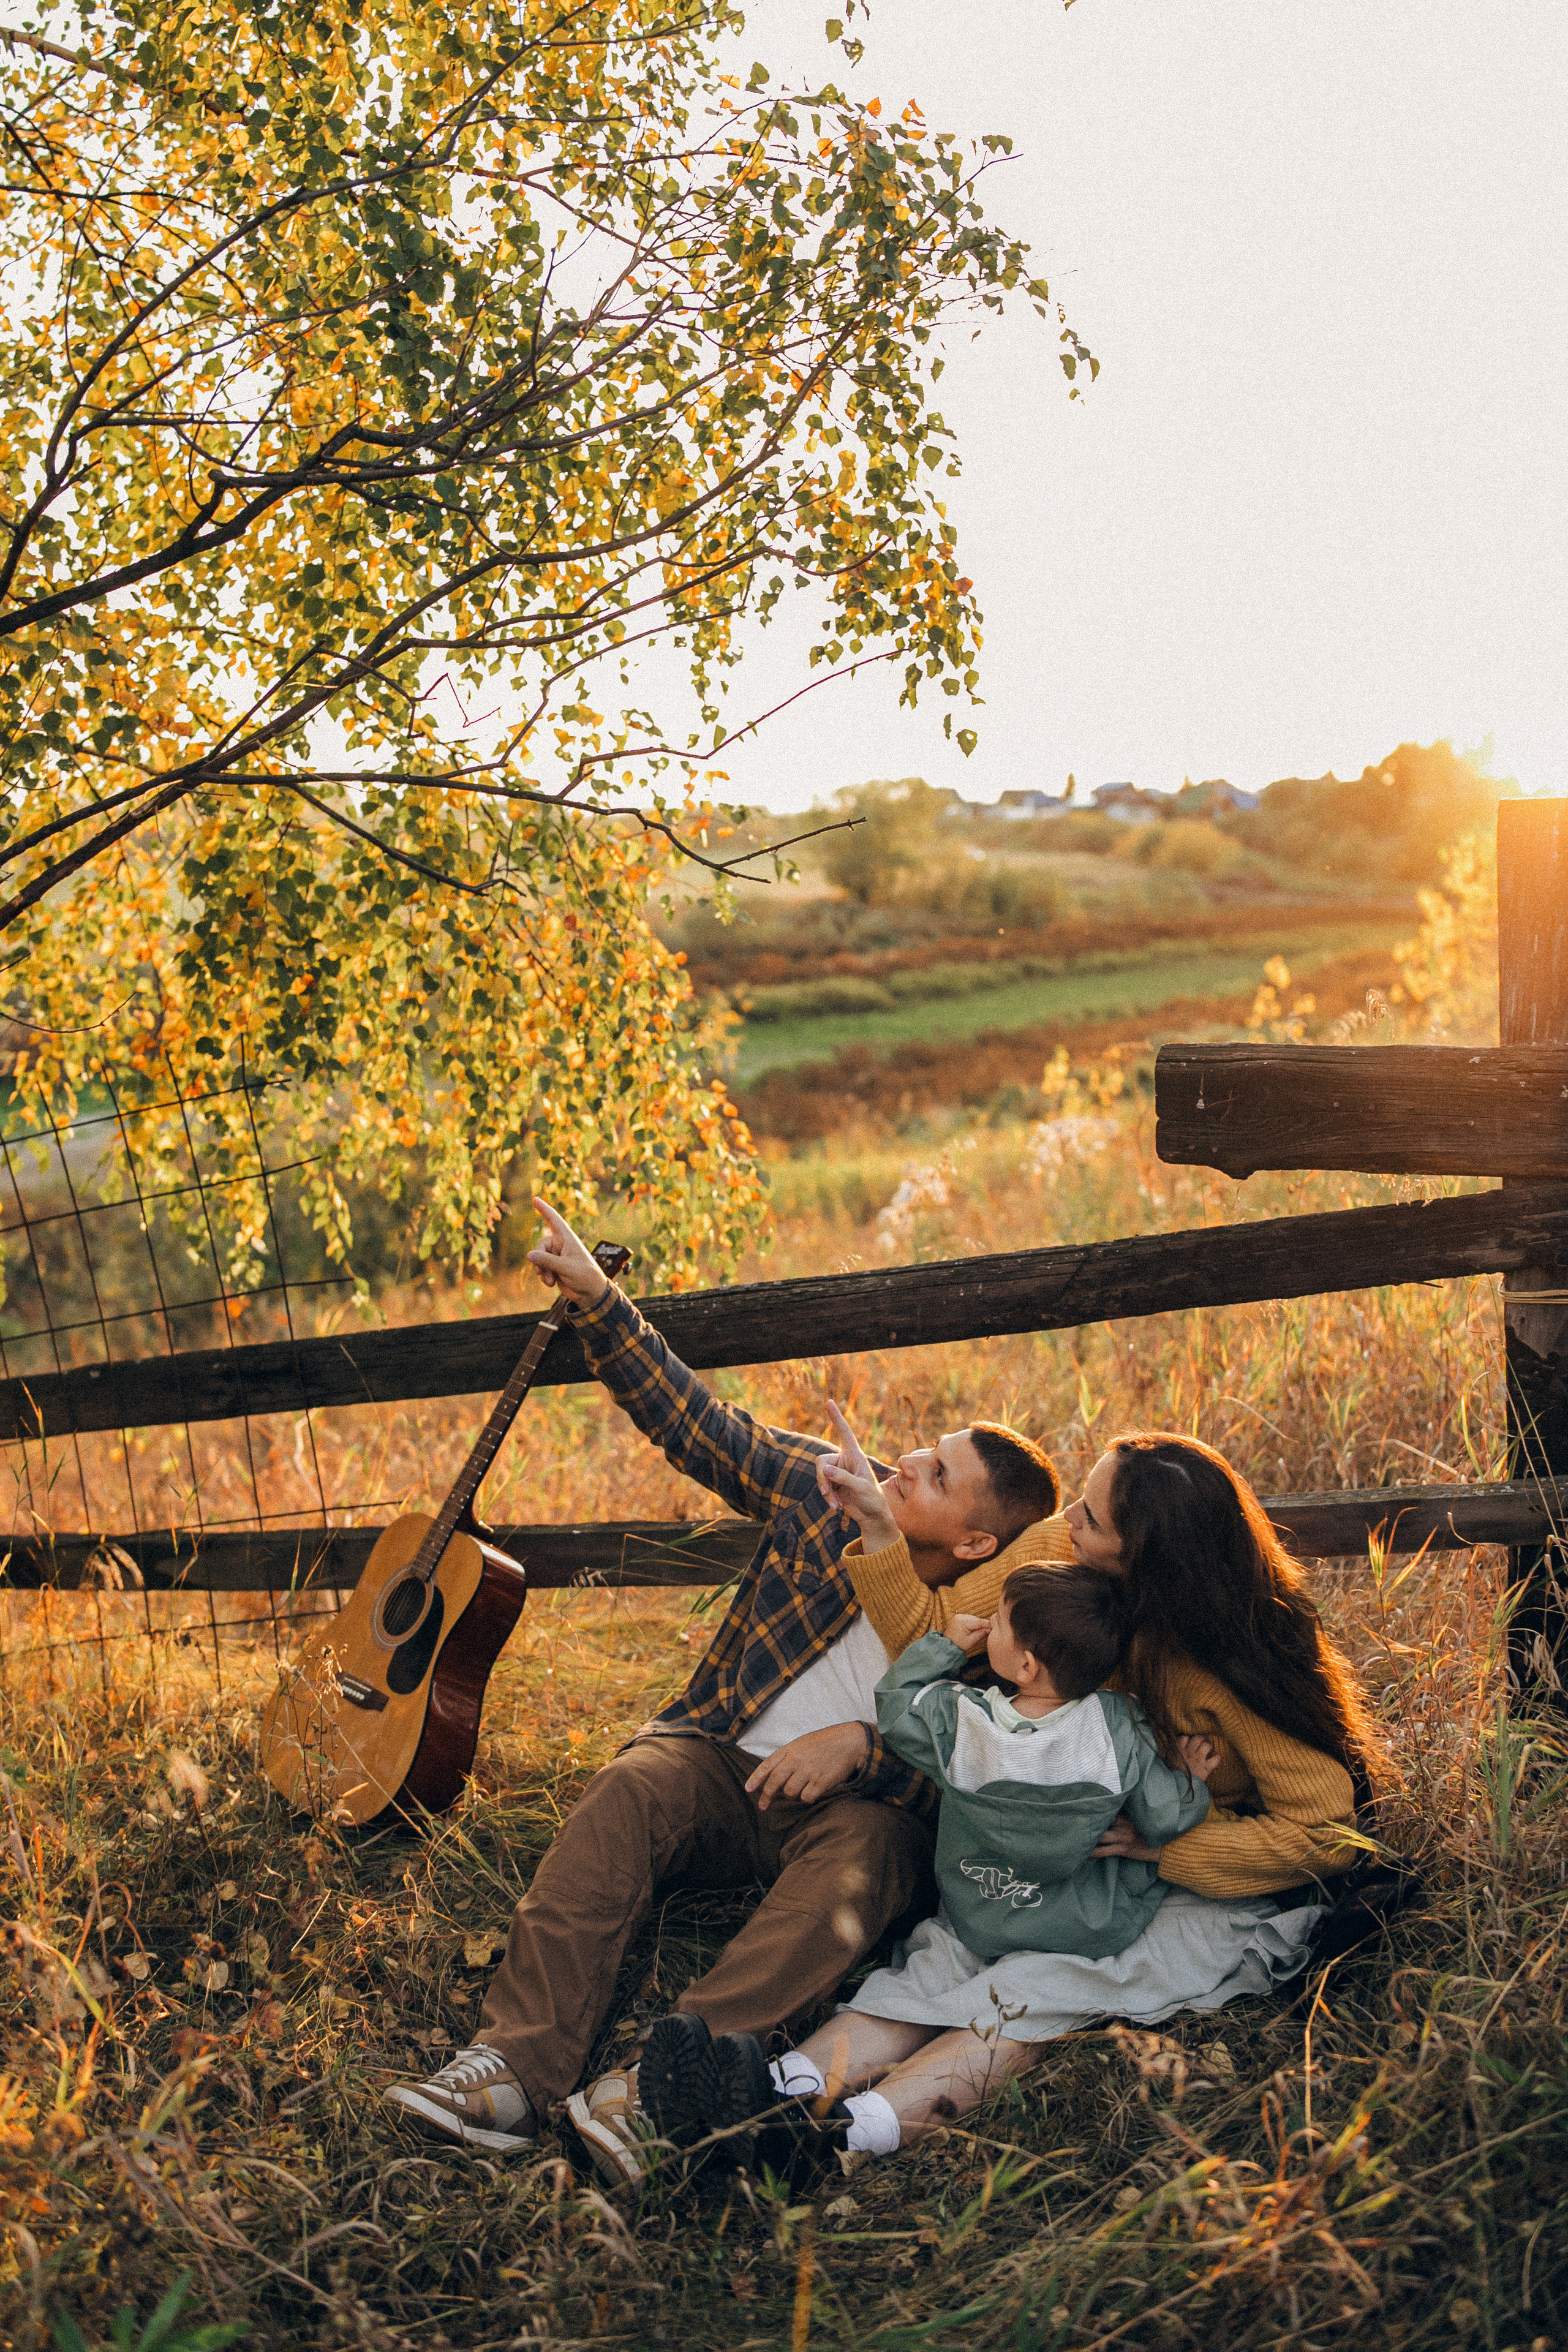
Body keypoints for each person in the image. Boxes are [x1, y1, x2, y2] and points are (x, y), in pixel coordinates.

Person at [385, 1200, 1061, 2168]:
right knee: (628, 1788)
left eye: (939, 1474)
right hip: (716, 1759)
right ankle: (509, 2072)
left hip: (852, 1816)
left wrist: (865, 1752)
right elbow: (699, 1425)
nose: (908, 1461)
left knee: (873, 1857)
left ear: (976, 1543)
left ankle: (661, 2087)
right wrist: (600, 1300)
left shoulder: (1000, 1632)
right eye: (925, 1449)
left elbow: (978, 1779)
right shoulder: (824, 1493)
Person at [734, 1422, 1376, 2160]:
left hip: (1191, 1869)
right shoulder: (1055, 1553)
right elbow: (935, 1629)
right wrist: (879, 1527)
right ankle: (769, 2092)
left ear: (1146, 1560)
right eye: (1080, 1498)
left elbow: (1324, 1831)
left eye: (1090, 1517)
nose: (1064, 1519)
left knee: (1041, 1988)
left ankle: (844, 2139)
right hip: (1064, 1842)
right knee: (945, 1959)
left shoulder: (1223, 1664)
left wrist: (1163, 1848)